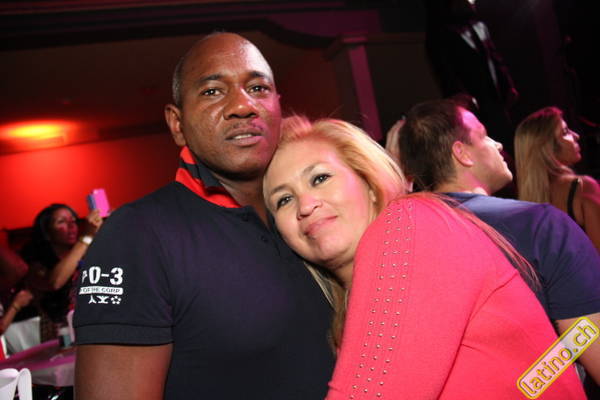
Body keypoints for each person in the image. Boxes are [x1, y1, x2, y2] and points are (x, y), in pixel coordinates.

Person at [73, 33, 334, 400]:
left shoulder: (315, 211)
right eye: (212, 91)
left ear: (278, 105)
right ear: (177, 124)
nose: (242, 106)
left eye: (258, 88)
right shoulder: (136, 236)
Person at [263, 115, 586, 399]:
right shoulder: (346, 313)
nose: (305, 205)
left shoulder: (408, 224)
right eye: (284, 200)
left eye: (320, 178)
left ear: (370, 183)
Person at [396, 99, 600, 385]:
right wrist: (541, 376)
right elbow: (590, 338)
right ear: (462, 153)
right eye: (484, 135)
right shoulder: (538, 224)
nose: (498, 144)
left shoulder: (402, 242)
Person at [425, 0, 518, 153]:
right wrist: (459, 95)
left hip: (495, 98)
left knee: (506, 139)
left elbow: (494, 57)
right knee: (486, 143)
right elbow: (444, 69)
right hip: (473, 103)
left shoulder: (477, 25)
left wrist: (507, 84)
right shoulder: (441, 32)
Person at [515, 106, 600, 251]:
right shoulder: (582, 187)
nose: (576, 136)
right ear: (548, 147)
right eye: (565, 132)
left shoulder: (523, 208)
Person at [19, 204, 102, 342]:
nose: (71, 225)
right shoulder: (35, 262)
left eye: (73, 220)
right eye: (61, 221)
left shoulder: (82, 251)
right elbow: (55, 282)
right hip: (59, 333)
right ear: (47, 232)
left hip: (88, 324)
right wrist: (86, 238)